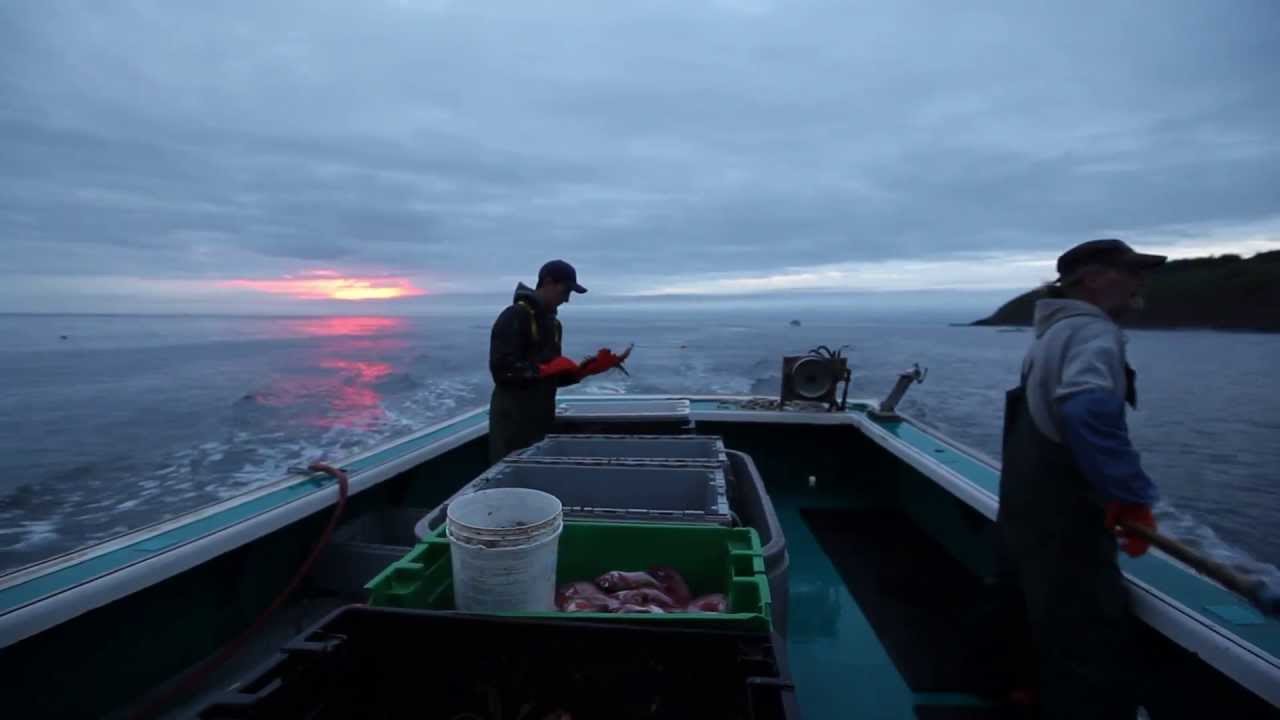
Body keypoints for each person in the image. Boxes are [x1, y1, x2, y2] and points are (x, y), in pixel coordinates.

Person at [996, 238, 1167, 718]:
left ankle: (1025, 687)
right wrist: (1130, 498)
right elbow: (1088, 410)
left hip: (1026, 512)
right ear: (1093, 278)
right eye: (1131, 271)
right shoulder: (1094, 334)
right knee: (1086, 633)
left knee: (1034, 610)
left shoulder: (1049, 335)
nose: (1141, 281)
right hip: (1066, 521)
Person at [487, 259, 632, 463]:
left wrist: (585, 370)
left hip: (541, 419)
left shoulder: (554, 325)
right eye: (565, 291)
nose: (566, 300)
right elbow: (501, 370)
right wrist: (543, 370)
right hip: (512, 422)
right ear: (547, 283)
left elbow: (554, 377)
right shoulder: (515, 315)